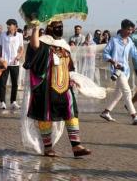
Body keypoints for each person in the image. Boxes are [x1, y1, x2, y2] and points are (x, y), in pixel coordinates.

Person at [25, 21, 91, 157]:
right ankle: (48, 148)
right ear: (50, 28)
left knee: (71, 113)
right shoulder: (43, 42)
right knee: (45, 116)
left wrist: (73, 79)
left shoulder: (64, 45)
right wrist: (36, 27)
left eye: (61, 27)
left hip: (65, 87)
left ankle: (76, 146)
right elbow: (34, 45)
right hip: (46, 88)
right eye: (57, 27)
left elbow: (70, 66)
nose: (60, 29)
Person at [100, 19, 137, 125]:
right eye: (128, 29)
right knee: (127, 92)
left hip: (126, 71)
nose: (130, 32)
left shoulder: (130, 41)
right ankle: (134, 116)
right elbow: (105, 53)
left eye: (131, 30)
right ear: (122, 29)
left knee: (118, 94)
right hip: (117, 71)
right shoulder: (114, 40)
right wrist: (113, 61)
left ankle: (106, 112)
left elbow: (135, 54)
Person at [0, 19, 24, 110]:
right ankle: (2, 102)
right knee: (3, 83)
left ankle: (13, 102)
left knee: (15, 83)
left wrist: (19, 56)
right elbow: (0, 48)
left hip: (15, 63)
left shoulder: (20, 35)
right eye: (7, 24)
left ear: (15, 26)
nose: (8, 26)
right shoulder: (3, 35)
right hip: (4, 62)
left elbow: (21, 49)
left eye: (10, 24)